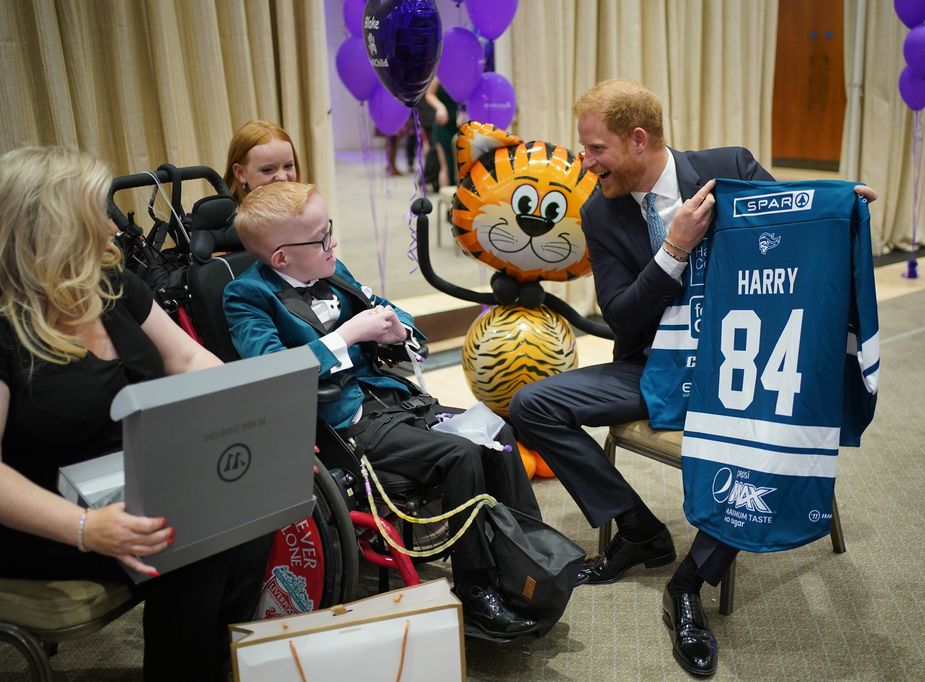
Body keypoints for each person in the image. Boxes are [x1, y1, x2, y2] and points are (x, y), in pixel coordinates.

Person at [508, 79, 877, 677]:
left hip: (744, 369)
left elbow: (796, 238)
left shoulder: (728, 169)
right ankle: (638, 530)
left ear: (637, 140)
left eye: (595, 148)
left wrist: (839, 207)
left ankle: (688, 583)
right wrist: (673, 251)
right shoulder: (600, 210)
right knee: (530, 405)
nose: (584, 161)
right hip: (653, 364)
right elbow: (622, 313)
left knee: (768, 435)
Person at [222, 181, 543, 638]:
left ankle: (529, 559)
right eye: (321, 238)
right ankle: (475, 591)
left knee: (498, 434)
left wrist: (399, 333)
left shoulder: (332, 270)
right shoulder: (248, 297)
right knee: (460, 454)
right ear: (281, 259)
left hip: (393, 400)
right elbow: (272, 371)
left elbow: (390, 311)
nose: (333, 242)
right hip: (343, 424)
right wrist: (348, 334)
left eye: (329, 229)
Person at [0, 146, 271, 681]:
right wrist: (86, 527)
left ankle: (213, 667)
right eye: (93, 216)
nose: (110, 227)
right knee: (197, 546)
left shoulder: (111, 286)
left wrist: (250, 412)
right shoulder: (6, 329)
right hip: (47, 522)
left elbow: (188, 357)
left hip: (130, 489)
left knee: (249, 518)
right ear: (50, 232)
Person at [223, 120, 300, 201]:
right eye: (268, 170)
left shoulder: (308, 207)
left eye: (288, 166)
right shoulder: (226, 213)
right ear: (240, 173)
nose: (282, 177)